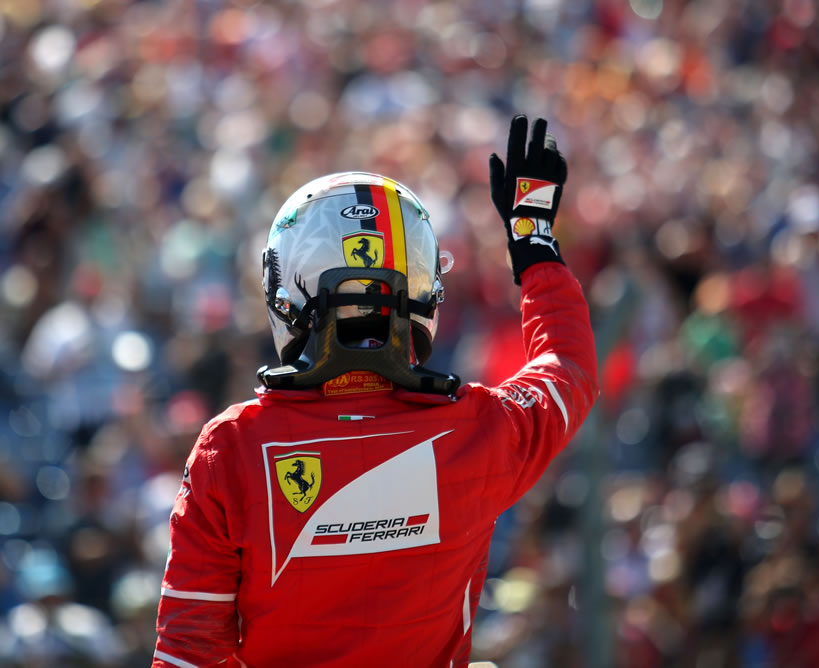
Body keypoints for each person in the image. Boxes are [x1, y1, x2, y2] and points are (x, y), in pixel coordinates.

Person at [151, 115, 598, 667]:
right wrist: (532, 236)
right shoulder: (482, 429)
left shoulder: (233, 447)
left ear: (285, 289)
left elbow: (187, 653)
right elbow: (569, 368)